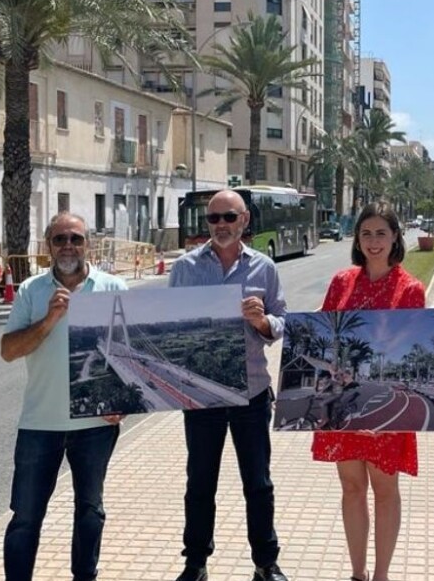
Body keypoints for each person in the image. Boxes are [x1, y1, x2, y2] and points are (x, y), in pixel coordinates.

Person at [0, 212, 128, 581]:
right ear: (48, 246)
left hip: (96, 425)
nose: (68, 246)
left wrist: (121, 399)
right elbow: (8, 350)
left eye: (76, 238)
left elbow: (130, 356)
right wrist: (49, 319)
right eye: (60, 239)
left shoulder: (114, 288)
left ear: (88, 243)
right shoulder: (31, 291)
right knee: (25, 517)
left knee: (90, 510)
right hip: (40, 424)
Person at [168, 190, 289, 581]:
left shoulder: (264, 268)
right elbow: (170, 324)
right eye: (213, 218)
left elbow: (283, 322)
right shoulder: (185, 268)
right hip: (200, 395)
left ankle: (266, 562)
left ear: (245, 221)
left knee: (258, 482)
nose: (220, 225)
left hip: (251, 394)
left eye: (229, 218)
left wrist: (262, 322)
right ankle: (196, 562)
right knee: (199, 483)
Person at [313, 201, 425, 581]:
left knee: (385, 487)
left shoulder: (410, 289)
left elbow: (410, 347)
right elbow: (324, 336)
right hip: (343, 403)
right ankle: (358, 574)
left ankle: (381, 575)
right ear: (357, 240)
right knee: (351, 486)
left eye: (381, 233)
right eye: (366, 234)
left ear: (395, 237)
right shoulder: (341, 282)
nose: (373, 241)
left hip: (384, 405)